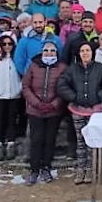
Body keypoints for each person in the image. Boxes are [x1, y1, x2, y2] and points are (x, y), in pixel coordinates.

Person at [58, 41, 102, 184]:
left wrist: (99, 97)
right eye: (82, 51)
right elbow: (62, 84)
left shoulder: (100, 69)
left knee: (93, 141)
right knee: (81, 142)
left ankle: (91, 169)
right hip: (77, 110)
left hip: (95, 112)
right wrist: (73, 97)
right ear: (79, 53)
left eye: (88, 50)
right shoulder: (72, 69)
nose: (85, 53)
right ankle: (80, 168)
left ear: (92, 53)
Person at [22, 42, 66, 185]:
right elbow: (26, 86)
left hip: (54, 111)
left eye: (52, 51)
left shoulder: (62, 68)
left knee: (49, 139)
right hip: (35, 110)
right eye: (46, 50)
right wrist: (36, 103)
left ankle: (46, 167)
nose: (49, 53)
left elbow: (64, 88)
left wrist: (53, 104)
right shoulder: (34, 66)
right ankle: (34, 169)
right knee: (36, 139)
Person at [0, 32, 22, 161]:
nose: (7, 46)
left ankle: (11, 143)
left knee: (12, 119)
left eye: (10, 43)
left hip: (14, 95)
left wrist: (19, 88)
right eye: (4, 44)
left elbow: (22, 74)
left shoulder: (17, 59)